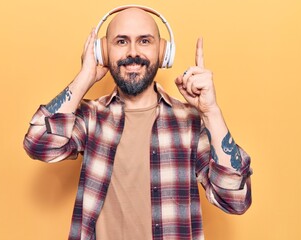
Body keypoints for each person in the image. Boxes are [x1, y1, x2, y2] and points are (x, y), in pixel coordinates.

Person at [23, 6, 252, 240]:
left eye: (144, 41)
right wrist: (84, 77)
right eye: (121, 42)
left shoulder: (190, 122)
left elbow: (235, 200)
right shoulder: (91, 117)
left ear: (164, 52)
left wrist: (211, 111)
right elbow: (38, 144)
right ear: (103, 52)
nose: (133, 52)